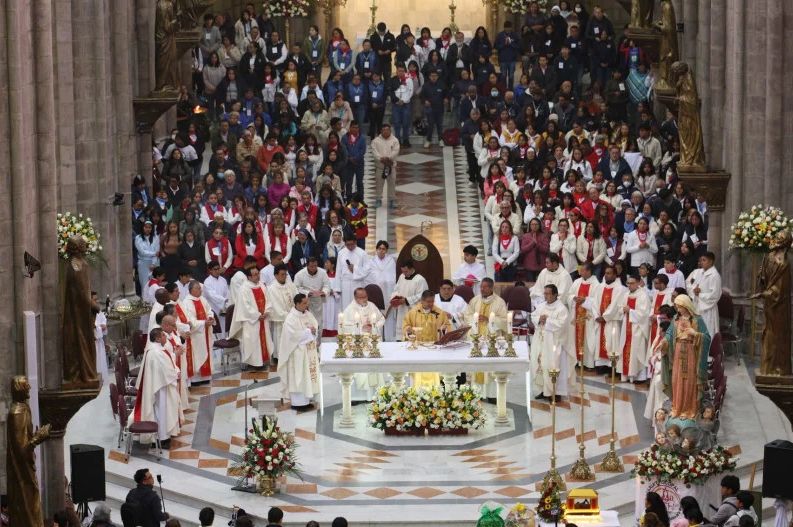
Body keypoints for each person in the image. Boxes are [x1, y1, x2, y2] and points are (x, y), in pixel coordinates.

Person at [658, 294, 711, 419]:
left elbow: (707, 338)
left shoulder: (697, 320)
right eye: (677, 306)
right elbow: (669, 334)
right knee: (677, 380)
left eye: (679, 306)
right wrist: (664, 342)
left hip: (691, 353)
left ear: (686, 306)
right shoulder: (676, 319)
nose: (677, 309)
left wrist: (695, 334)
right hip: (677, 353)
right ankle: (677, 408)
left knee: (689, 381)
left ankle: (689, 409)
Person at [133, 328, 181, 448]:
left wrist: (175, 369)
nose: (166, 337)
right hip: (160, 387)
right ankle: (162, 438)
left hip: (160, 384)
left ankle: (162, 437)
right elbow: (165, 371)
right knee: (162, 412)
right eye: (163, 335)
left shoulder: (156, 349)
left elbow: (167, 364)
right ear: (158, 338)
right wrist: (176, 374)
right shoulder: (155, 352)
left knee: (162, 412)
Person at [531, 284, 574, 400]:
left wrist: (547, 320)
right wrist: (539, 319)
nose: (545, 296)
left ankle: (555, 392)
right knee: (540, 365)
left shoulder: (561, 309)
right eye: (544, 293)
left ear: (555, 295)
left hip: (554, 343)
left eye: (548, 294)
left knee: (552, 365)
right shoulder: (541, 306)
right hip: (540, 342)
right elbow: (533, 316)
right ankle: (543, 390)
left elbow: (562, 325)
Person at [277, 294, 320, 411]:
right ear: (297, 304)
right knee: (299, 376)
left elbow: (315, 325)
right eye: (304, 303)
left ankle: (307, 400)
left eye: (307, 302)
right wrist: (308, 331)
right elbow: (292, 336)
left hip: (309, 351)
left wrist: (313, 330)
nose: (307, 305)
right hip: (298, 353)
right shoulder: (291, 318)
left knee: (308, 376)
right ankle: (298, 403)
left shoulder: (308, 314)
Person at [403, 290, 451, 387]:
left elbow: (447, 326)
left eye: (432, 301)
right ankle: (417, 390)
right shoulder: (413, 312)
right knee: (418, 371)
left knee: (434, 371)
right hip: (418, 347)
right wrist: (408, 330)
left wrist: (444, 329)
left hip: (434, 347)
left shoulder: (440, 313)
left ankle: (434, 391)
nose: (431, 304)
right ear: (422, 301)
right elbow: (406, 325)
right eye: (428, 301)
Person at [229, 266, 272, 369]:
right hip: (252, 321)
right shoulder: (244, 289)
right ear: (249, 277)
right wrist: (257, 315)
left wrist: (267, 311)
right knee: (253, 341)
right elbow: (245, 306)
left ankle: (263, 360)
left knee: (264, 339)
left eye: (258, 273)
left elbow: (268, 300)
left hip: (263, 319)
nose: (258, 276)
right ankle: (255, 363)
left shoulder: (262, 285)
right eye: (255, 275)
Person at [178, 281, 216, 385]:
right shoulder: (187, 302)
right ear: (191, 290)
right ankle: (196, 379)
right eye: (198, 288)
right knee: (197, 355)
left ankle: (206, 376)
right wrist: (204, 323)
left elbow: (209, 310)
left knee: (207, 352)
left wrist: (210, 317)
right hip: (196, 335)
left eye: (200, 288)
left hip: (206, 332)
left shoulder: (202, 299)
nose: (200, 290)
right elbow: (190, 320)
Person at [591, 264, 626, 370]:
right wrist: (596, 315)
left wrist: (605, 317)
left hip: (612, 321)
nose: (606, 275)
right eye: (605, 273)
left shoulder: (620, 289)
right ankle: (601, 365)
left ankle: (612, 367)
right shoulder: (600, 287)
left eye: (609, 273)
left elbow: (616, 305)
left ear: (615, 275)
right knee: (599, 342)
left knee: (612, 342)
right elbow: (594, 303)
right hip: (600, 320)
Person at [618, 274, 651, 382]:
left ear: (638, 283)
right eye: (628, 283)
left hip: (638, 328)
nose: (629, 285)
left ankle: (639, 377)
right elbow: (620, 307)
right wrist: (623, 310)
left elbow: (644, 314)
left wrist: (630, 311)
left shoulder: (643, 295)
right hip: (626, 327)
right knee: (625, 349)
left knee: (638, 352)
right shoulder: (626, 294)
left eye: (632, 283)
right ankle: (626, 375)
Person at [566, 262, 599, 366]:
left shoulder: (596, 284)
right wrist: (573, 298)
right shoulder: (577, 282)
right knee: (574, 336)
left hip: (588, 316)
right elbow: (569, 295)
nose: (580, 271)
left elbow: (597, 301)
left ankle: (588, 363)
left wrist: (585, 300)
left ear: (589, 271)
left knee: (587, 337)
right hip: (576, 314)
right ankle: (576, 361)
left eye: (583, 270)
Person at [293, 257, 332, 342]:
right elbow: (295, 288)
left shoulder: (322, 273)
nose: (314, 268)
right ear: (307, 266)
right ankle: (308, 344)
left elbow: (327, 285)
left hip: (318, 301)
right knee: (307, 324)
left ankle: (318, 344)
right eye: (311, 266)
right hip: (305, 302)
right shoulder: (299, 274)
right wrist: (307, 293)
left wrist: (323, 292)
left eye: (315, 266)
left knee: (318, 323)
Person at [389, 260, 429, 340]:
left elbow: (422, 295)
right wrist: (395, 298)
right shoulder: (402, 276)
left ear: (412, 269)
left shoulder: (420, 279)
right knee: (402, 334)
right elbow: (396, 289)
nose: (404, 273)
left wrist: (406, 300)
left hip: (414, 310)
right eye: (402, 271)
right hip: (402, 309)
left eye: (406, 271)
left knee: (413, 334)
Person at [685, 252, 721, 338]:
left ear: (711, 261)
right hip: (696, 306)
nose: (701, 262)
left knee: (706, 332)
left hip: (707, 309)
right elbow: (688, 283)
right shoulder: (697, 272)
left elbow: (715, 295)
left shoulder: (714, 276)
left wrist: (699, 294)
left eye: (704, 260)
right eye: (700, 260)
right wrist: (694, 290)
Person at [267, 264, 298, 361]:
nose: (284, 276)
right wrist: (289, 316)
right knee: (280, 340)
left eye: (286, 274)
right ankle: (279, 358)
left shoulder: (290, 285)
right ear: (276, 275)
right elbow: (275, 306)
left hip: (293, 318)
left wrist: (296, 312)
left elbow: (296, 299)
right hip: (281, 321)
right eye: (282, 274)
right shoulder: (272, 289)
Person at [369, 240, 397, 339]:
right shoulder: (371, 261)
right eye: (379, 249)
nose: (381, 251)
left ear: (386, 250)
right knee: (376, 315)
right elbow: (369, 276)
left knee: (389, 316)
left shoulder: (391, 261)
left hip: (388, 291)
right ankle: (376, 337)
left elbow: (393, 276)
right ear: (376, 249)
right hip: (377, 291)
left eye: (383, 249)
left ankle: (390, 338)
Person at [337, 234, 371, 309]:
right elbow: (338, 270)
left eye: (351, 244)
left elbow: (367, 269)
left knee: (357, 305)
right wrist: (337, 288)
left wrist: (355, 269)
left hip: (357, 283)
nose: (350, 247)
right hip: (345, 284)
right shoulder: (341, 253)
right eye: (347, 245)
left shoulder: (362, 253)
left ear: (355, 242)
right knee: (346, 306)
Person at [371, 123, 400, 208]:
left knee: (392, 183)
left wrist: (388, 158)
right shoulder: (376, 141)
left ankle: (392, 200)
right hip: (380, 166)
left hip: (391, 166)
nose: (385, 132)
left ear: (390, 131)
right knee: (379, 184)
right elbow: (374, 152)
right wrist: (381, 158)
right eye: (384, 130)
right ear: (381, 131)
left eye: (387, 130)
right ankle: (378, 200)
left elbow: (395, 151)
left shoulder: (395, 140)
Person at [93, 291, 109, 383]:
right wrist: (99, 327)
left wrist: (101, 326)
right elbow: (92, 327)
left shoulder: (99, 312)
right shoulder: (87, 313)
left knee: (101, 361)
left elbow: (104, 323)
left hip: (99, 341)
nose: (97, 302)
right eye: (94, 300)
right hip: (93, 342)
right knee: (96, 362)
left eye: (97, 299)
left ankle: (102, 379)